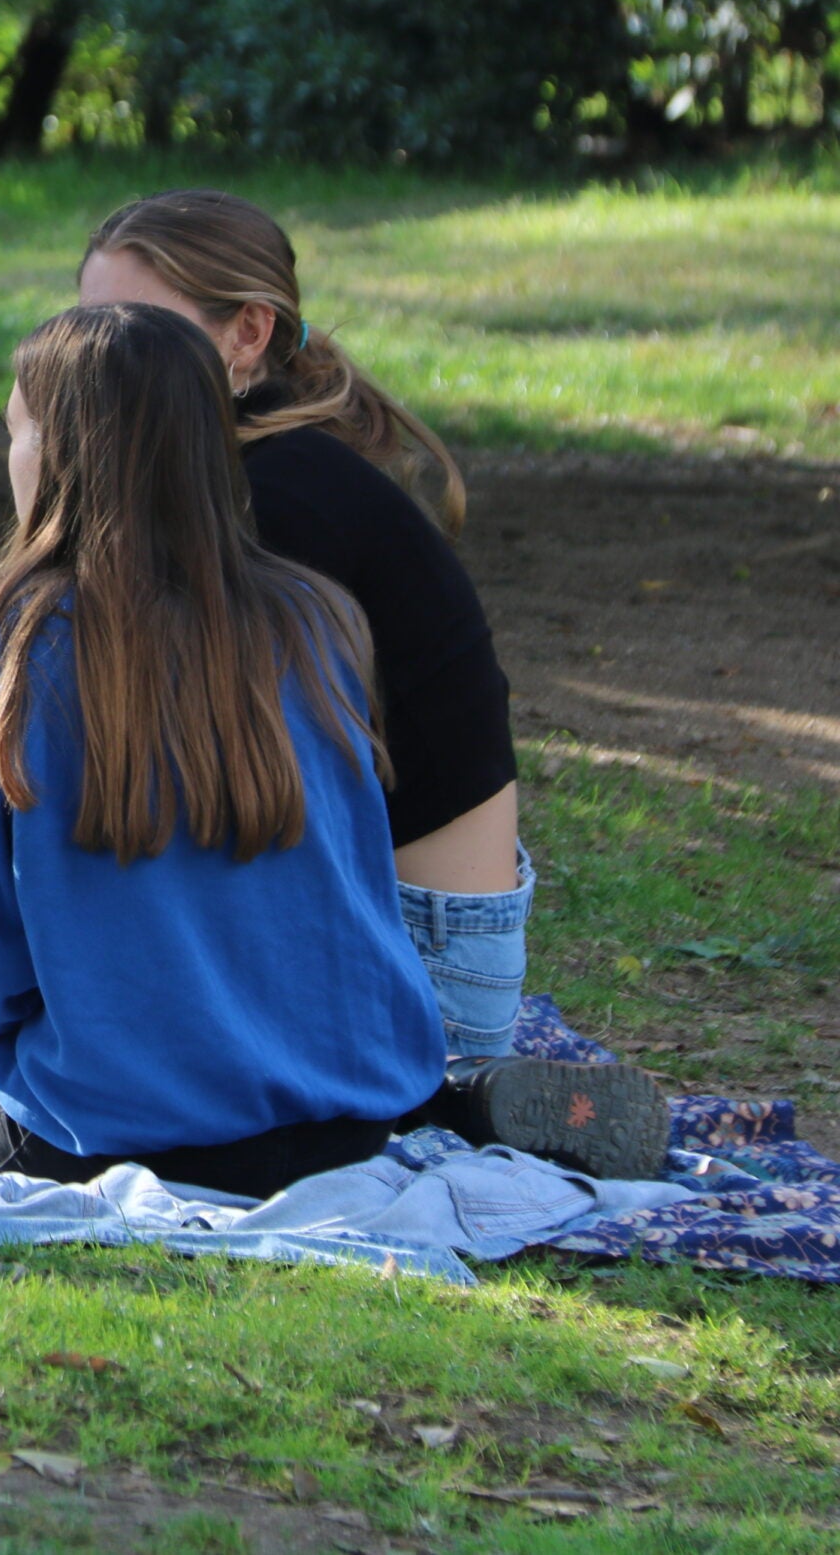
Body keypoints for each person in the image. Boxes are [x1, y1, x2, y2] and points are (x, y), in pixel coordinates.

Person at [0, 304, 446, 1200]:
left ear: (52, 452)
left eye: (15, 431)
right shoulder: (319, 622)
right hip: (350, 1124)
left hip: (104, 1130)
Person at [77, 188, 666, 1177]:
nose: (96, 362)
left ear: (245, 334)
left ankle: (422, 1093)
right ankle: (447, 1094)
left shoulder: (266, 499)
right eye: (82, 328)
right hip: (438, 953)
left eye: (127, 328)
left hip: (406, 963)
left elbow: (189, 790)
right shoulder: (269, 470)